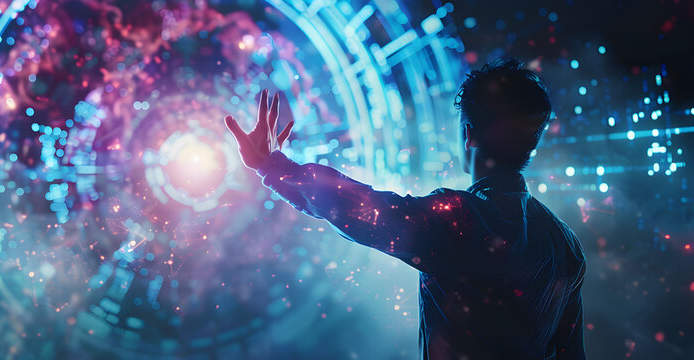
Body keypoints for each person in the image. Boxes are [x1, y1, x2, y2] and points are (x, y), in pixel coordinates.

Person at [224, 58, 586, 359]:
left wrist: (274, 166)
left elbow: (363, 209)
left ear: (468, 134)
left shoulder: (460, 218)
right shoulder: (566, 245)